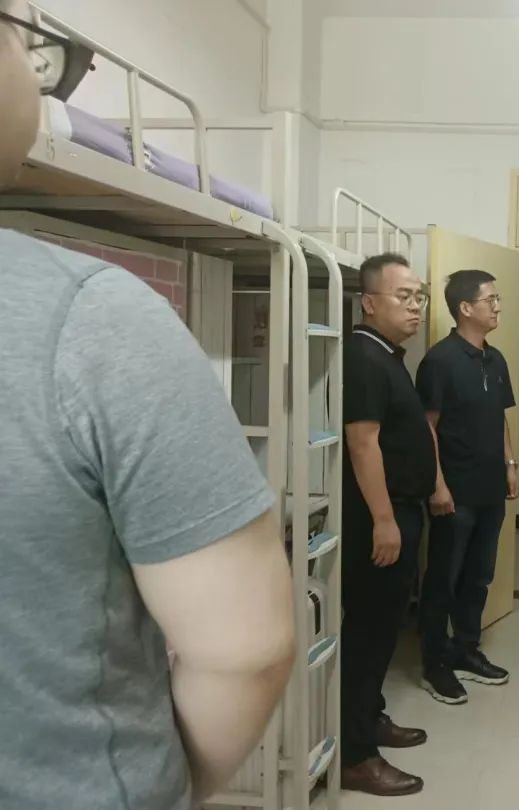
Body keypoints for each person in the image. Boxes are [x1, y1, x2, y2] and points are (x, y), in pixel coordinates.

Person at [0, 4, 295, 808]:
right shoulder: (94, 320)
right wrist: (165, 785)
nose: (39, 70)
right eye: (22, 37)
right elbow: (245, 651)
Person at [339, 253, 434, 796]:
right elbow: (362, 442)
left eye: (419, 296)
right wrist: (383, 519)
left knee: (382, 632)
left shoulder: (388, 356)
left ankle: (369, 717)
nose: (416, 305)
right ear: (369, 303)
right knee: (368, 635)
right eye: (404, 296)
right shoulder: (364, 358)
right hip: (382, 516)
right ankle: (355, 756)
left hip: (401, 510)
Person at [417, 269, 519, 705]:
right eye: (490, 299)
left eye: (497, 299)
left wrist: (510, 465)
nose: (497, 306)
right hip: (454, 493)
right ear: (465, 308)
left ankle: (465, 650)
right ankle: (434, 663)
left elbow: (499, 418)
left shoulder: (495, 360)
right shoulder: (439, 361)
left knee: (479, 576)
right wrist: (437, 486)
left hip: (490, 489)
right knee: (444, 578)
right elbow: (428, 428)